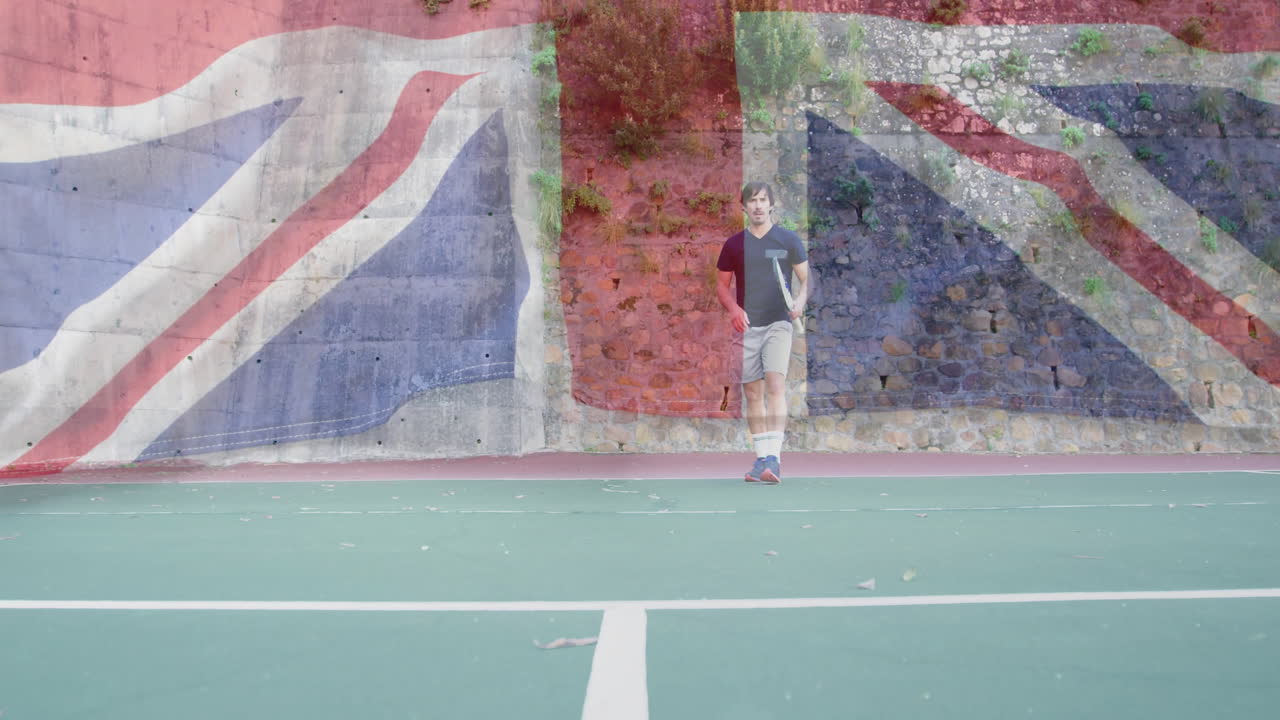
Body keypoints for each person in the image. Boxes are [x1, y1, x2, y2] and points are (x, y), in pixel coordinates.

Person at [716, 182, 809, 484]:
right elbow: (721, 286)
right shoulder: (733, 245)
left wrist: (800, 301)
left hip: (779, 323)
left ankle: (775, 459)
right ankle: (760, 460)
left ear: (771, 205)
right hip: (748, 327)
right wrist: (733, 309)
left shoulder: (788, 240)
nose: (757, 205)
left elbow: (807, 279)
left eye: (762, 200)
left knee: (774, 385)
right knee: (752, 392)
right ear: (743, 206)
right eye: (751, 200)